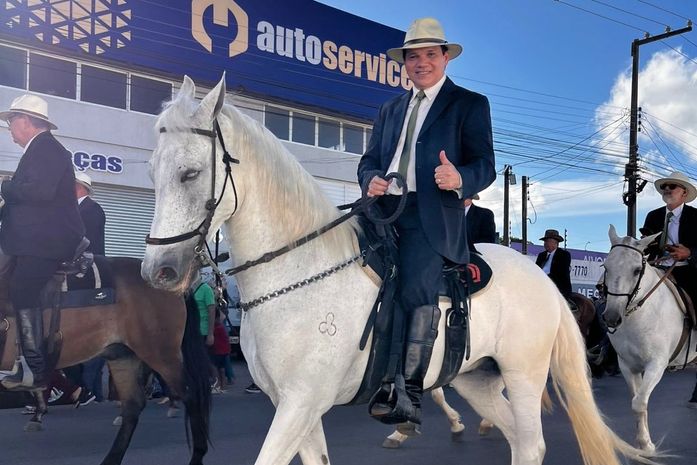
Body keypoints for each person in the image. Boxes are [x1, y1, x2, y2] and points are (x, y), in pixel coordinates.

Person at [357, 17, 496, 428]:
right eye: (412, 56)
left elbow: (485, 164)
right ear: (405, 63)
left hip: (430, 215)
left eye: (429, 55)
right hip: (383, 209)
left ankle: (407, 388)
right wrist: (371, 180)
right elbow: (368, 161)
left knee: (415, 285)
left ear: (445, 58)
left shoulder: (469, 104)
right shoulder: (390, 108)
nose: (421, 63)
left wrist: (460, 179)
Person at [0, 94, 85, 390]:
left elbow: (38, 193)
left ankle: (34, 368)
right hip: (33, 237)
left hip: (48, 240)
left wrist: (5, 186)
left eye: (11, 123)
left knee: (21, 287)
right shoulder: (39, 150)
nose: (9, 129)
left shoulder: (49, 149)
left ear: (25, 121)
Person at [640, 171, 697, 407]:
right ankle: (609, 348)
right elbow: (646, 244)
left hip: (687, 271)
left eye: (672, 186)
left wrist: (690, 253)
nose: (667, 190)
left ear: (683, 193)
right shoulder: (653, 216)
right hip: (657, 269)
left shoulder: (696, 217)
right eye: (664, 187)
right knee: (626, 298)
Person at [75, 171, 106, 255]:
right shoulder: (77, 207)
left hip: (90, 261)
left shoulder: (93, 208)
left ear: (78, 187)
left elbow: (89, 238)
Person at [535, 229, 572, 298]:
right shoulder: (541, 255)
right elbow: (536, 269)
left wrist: (545, 279)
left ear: (556, 243)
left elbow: (561, 273)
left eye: (548, 241)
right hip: (541, 283)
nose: (545, 243)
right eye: (545, 241)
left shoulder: (564, 255)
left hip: (558, 287)